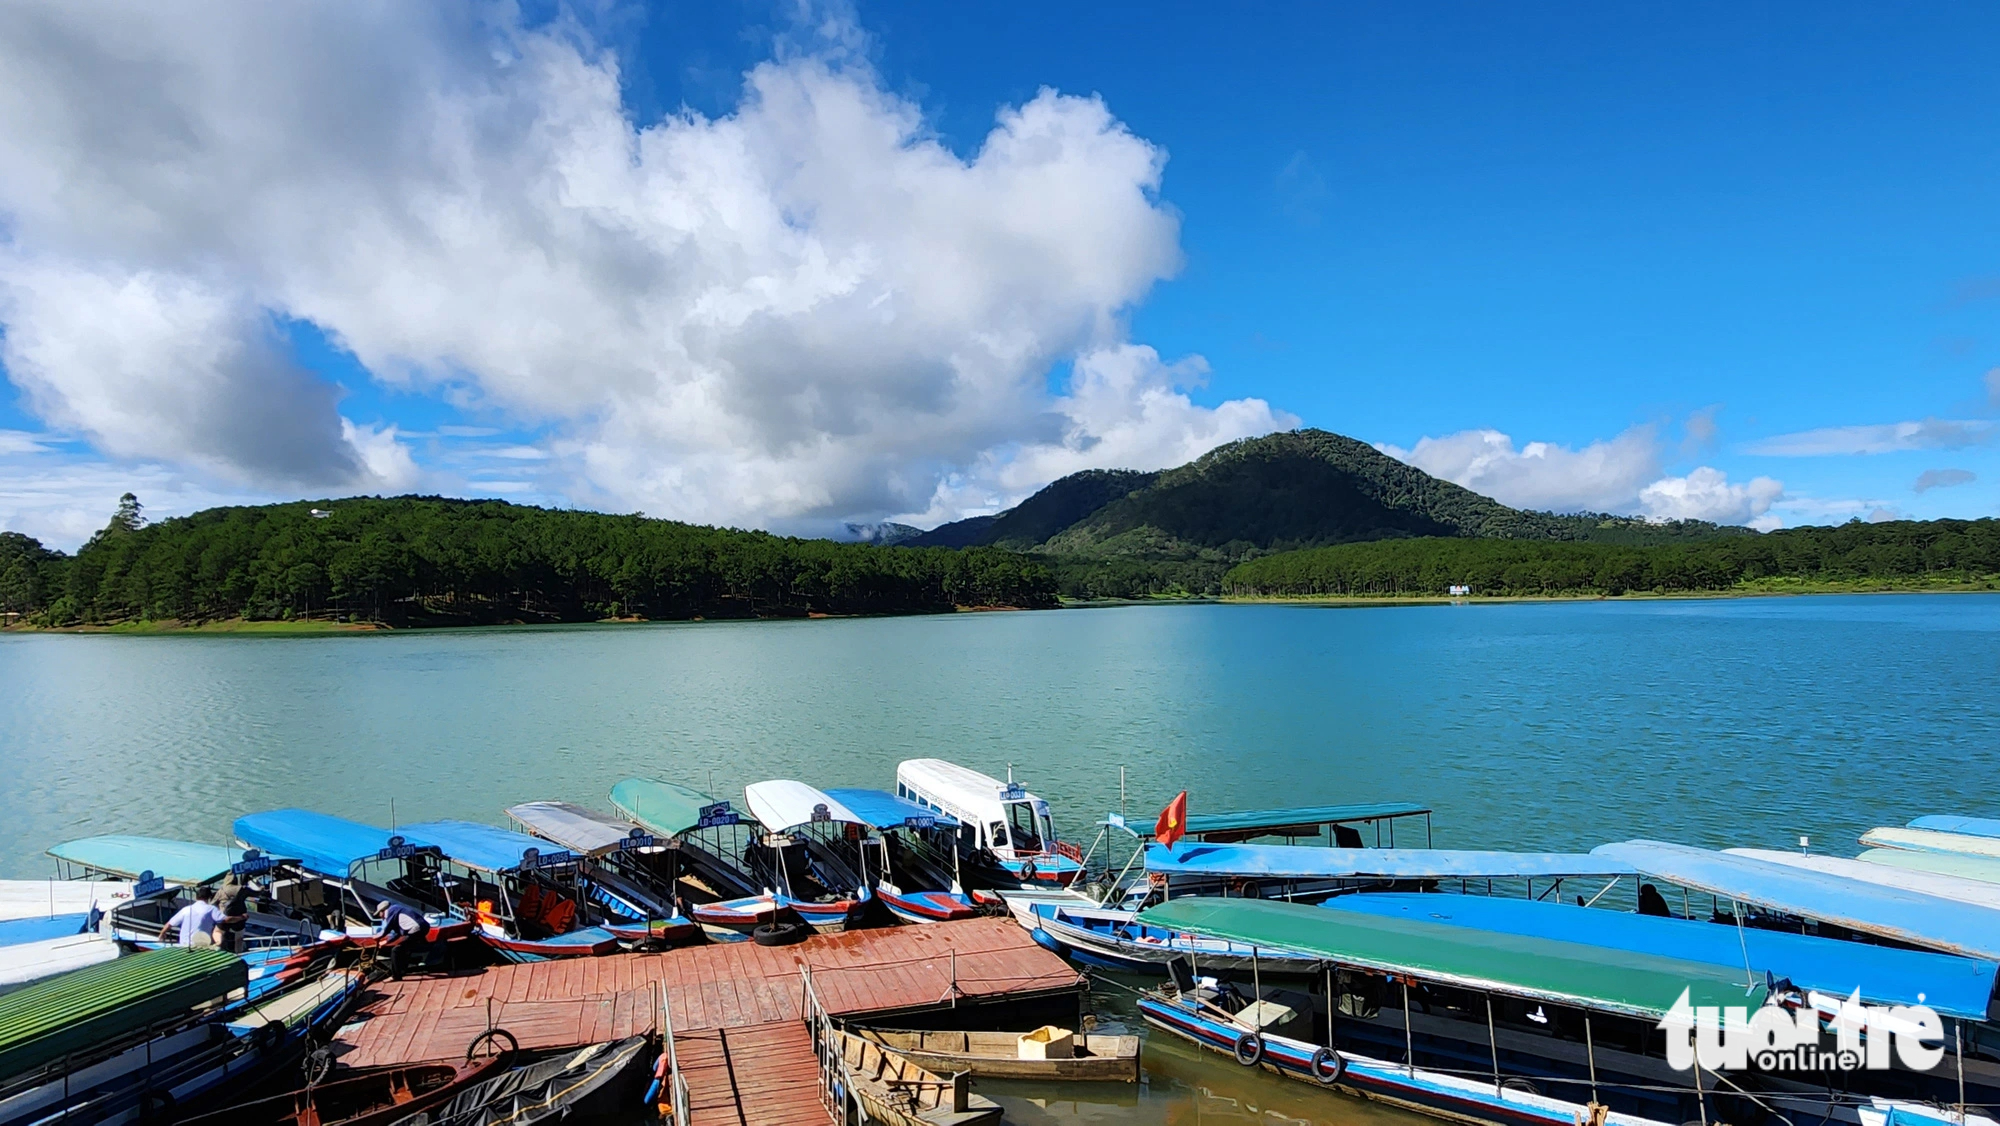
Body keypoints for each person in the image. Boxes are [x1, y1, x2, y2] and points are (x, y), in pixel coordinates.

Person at [374, 899, 431, 979]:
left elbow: (387, 929)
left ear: (382, 911)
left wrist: (377, 936)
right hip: (422, 928)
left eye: (379, 914)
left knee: (395, 950)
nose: (381, 917)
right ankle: (403, 971)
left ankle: (396, 976)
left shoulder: (391, 911)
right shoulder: (397, 910)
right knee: (405, 949)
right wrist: (386, 941)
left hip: (416, 929)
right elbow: (397, 933)